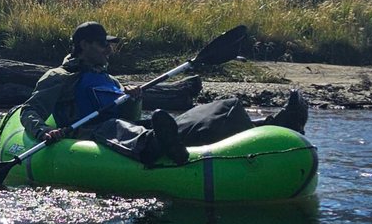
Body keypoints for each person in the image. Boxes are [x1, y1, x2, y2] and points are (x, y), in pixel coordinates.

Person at [20, 22, 308, 168]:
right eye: (102, 45)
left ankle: (272, 123)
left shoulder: (109, 80)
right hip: (88, 134)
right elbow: (29, 111)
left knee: (220, 107)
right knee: (116, 127)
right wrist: (45, 131)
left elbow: (129, 118)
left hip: (128, 129)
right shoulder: (59, 77)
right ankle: (160, 143)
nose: (109, 50)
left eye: (109, 45)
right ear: (83, 45)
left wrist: (134, 100)